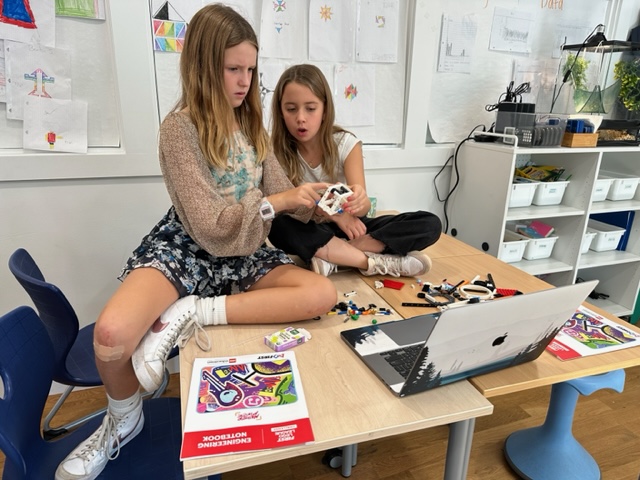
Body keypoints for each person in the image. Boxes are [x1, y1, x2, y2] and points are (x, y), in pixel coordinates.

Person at [55, 6, 336, 480]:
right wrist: (279, 201)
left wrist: (315, 202)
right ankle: (122, 421)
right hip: (187, 246)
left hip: (245, 249)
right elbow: (210, 226)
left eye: (250, 69)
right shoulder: (179, 129)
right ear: (205, 65)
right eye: (233, 69)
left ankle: (192, 313)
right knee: (110, 339)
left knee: (322, 295)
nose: (245, 81)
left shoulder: (251, 126)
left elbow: (280, 189)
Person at [268, 64, 442, 278]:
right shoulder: (274, 151)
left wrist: (360, 201)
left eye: (311, 108)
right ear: (280, 111)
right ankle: (368, 261)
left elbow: (361, 209)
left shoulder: (346, 143)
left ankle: (335, 256)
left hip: (348, 230)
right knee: (277, 225)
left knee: (430, 223)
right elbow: (284, 205)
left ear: (324, 110)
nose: (301, 118)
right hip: (310, 228)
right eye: (291, 109)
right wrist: (335, 215)